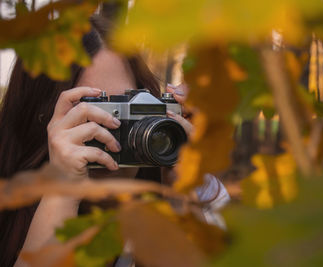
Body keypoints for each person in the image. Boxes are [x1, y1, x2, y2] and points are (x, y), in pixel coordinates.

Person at [0, 15, 229, 267]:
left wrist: (186, 192)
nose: (113, 130)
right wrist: (62, 191)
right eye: (96, 111)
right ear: (41, 120)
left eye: (129, 107)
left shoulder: (199, 201)